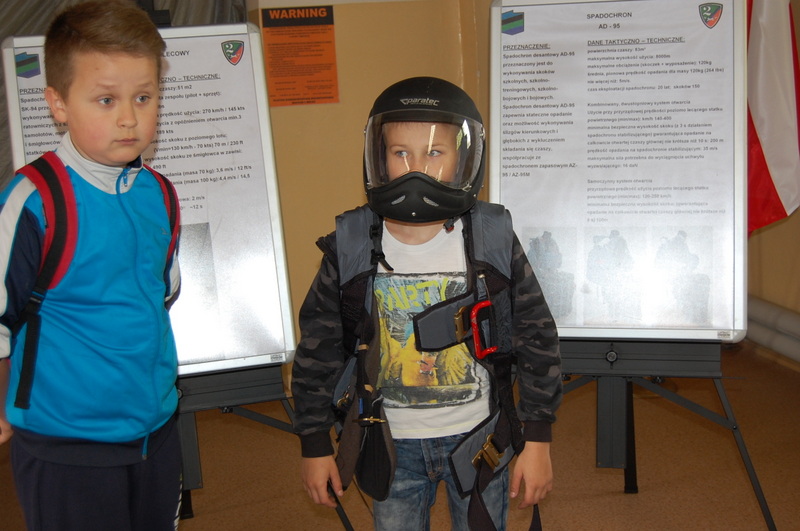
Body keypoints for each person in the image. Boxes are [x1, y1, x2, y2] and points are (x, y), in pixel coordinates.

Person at [292, 76, 562, 530]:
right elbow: (319, 348)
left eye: (435, 152)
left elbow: (537, 338)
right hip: (390, 441)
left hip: (480, 437)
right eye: (401, 153)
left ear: (463, 158)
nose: (416, 168)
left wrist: (537, 440)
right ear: (379, 158)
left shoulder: (492, 238)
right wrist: (314, 443)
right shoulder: (352, 244)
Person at [0, 1, 182, 529]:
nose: (129, 118)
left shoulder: (160, 195)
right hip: (66, 448)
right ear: (58, 104)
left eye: (144, 97)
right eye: (105, 100)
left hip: (154, 435)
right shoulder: (34, 200)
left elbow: (161, 295)